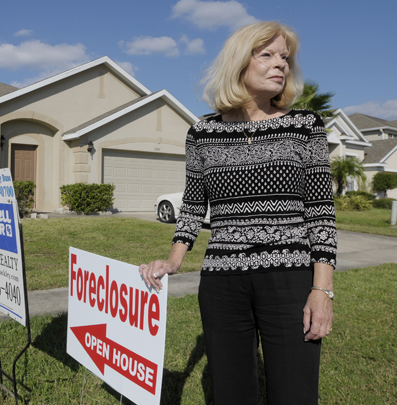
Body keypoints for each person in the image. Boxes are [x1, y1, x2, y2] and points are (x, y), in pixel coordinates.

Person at [139, 21, 336, 405]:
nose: (281, 65)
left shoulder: (304, 126)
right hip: (222, 283)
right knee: (229, 393)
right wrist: (173, 259)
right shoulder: (202, 133)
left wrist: (322, 289)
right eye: (267, 55)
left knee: (294, 394)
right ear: (238, 63)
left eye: (285, 57)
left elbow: (321, 214)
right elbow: (194, 205)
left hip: (290, 280)